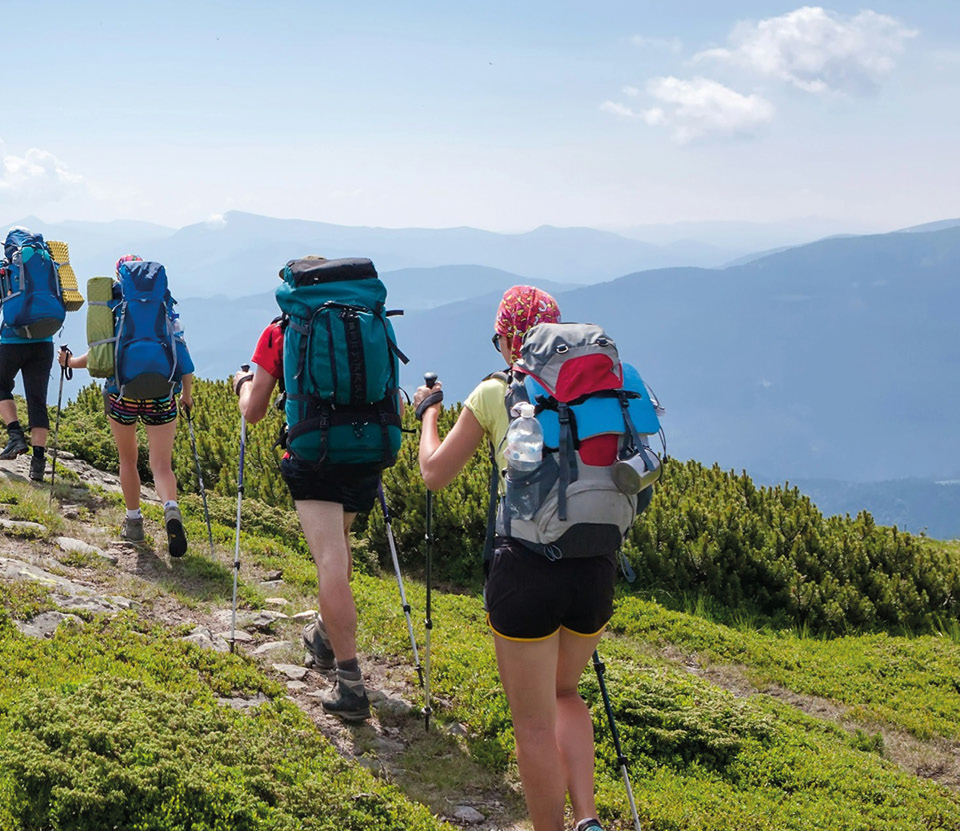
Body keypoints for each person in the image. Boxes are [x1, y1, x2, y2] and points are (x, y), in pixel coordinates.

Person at [413, 285, 611, 831]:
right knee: (566, 692)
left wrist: (428, 414)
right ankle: (588, 818)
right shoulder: (593, 390)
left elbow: (434, 475)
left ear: (507, 339)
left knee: (531, 723)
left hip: (525, 569)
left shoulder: (495, 393)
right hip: (595, 565)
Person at [235, 304, 384, 723]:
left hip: (315, 455)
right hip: (366, 449)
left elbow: (255, 411)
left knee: (330, 560)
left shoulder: (281, 331)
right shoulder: (365, 323)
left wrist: (243, 384)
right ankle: (323, 635)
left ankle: (350, 683)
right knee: (339, 544)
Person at [58, 255, 193, 557]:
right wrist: (186, 394)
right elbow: (183, 356)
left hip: (122, 395)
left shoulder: (113, 306)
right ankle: (170, 508)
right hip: (162, 394)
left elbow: (99, 357)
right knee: (161, 465)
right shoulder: (164, 306)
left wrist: (69, 362)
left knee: (128, 460)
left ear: (121, 277)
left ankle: (134, 523)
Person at [0, 227, 55, 482]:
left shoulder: (8, 265)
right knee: (37, 400)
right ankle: (39, 462)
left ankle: (15, 436)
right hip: (44, 340)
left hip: (12, 339)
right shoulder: (48, 261)